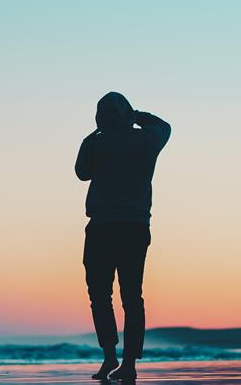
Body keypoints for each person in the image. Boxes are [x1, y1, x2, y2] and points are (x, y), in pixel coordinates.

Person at [75, 92, 171, 381]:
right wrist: (136, 116)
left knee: (100, 296)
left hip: (102, 226)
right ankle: (129, 364)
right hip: (135, 227)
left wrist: (97, 133)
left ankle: (109, 359)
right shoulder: (147, 141)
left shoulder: (96, 142)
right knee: (132, 297)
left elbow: (81, 173)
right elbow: (164, 126)